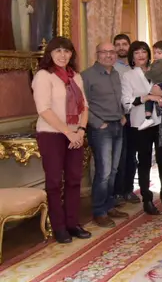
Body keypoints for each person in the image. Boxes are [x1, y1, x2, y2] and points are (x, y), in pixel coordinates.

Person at [31, 37, 90, 244]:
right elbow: (44, 110)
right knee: (55, 182)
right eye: (58, 51)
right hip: (51, 135)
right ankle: (59, 227)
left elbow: (84, 107)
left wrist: (81, 131)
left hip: (75, 134)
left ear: (72, 54)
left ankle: (73, 223)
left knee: (74, 180)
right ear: (50, 53)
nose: (63, 55)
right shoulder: (43, 76)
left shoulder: (76, 76)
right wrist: (68, 133)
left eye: (67, 51)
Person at [121, 41, 162, 215]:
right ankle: (147, 199)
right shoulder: (128, 76)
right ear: (132, 57)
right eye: (137, 53)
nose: (141, 55)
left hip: (161, 122)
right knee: (144, 162)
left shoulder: (157, 70)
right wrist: (147, 97)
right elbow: (127, 103)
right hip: (140, 124)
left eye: (144, 51)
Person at [81, 42, 130, 228]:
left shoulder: (116, 74)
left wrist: (123, 116)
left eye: (112, 52)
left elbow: (119, 99)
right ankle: (99, 210)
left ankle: (109, 206)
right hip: (101, 129)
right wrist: (96, 123)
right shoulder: (87, 76)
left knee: (114, 171)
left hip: (118, 125)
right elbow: (82, 104)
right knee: (104, 172)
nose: (109, 55)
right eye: (105, 52)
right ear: (97, 54)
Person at [111, 34, 138, 206]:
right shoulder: (111, 67)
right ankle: (117, 192)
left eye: (124, 44)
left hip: (135, 115)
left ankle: (128, 190)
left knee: (131, 156)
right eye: (118, 44)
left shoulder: (135, 67)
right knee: (119, 156)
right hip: (118, 117)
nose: (121, 47)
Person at [139, 40, 162, 131]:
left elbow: (153, 74)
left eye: (159, 53)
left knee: (150, 96)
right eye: (154, 53)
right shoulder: (159, 62)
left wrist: (146, 73)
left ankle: (148, 117)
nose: (156, 55)